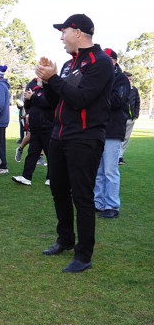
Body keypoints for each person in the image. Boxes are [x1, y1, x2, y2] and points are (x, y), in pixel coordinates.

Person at [36, 14, 114, 273]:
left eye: (64, 31)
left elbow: (81, 99)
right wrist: (48, 81)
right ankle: (65, 240)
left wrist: (54, 79)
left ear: (78, 32)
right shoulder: (70, 65)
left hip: (84, 138)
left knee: (82, 197)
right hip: (59, 136)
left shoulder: (100, 63)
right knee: (58, 191)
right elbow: (55, 102)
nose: (61, 37)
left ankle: (84, 255)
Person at [94, 49, 130, 219]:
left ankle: (112, 206)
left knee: (110, 170)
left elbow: (116, 101)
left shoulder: (121, 79)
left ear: (114, 61)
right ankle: (98, 203)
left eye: (107, 59)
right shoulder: (101, 76)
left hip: (113, 130)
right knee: (99, 170)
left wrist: (98, 93)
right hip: (99, 129)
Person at [11, 77, 53, 186]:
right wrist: (28, 99)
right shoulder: (36, 90)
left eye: (40, 77)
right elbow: (28, 106)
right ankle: (26, 177)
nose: (38, 78)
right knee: (32, 154)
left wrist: (33, 97)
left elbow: (47, 104)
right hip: (35, 129)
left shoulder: (51, 91)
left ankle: (51, 178)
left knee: (51, 154)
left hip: (47, 127)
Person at [118, 71, 140, 164]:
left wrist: (135, 115)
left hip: (130, 118)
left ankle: (120, 156)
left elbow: (137, 102)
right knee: (118, 138)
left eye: (130, 79)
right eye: (128, 79)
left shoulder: (134, 89)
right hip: (120, 118)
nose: (129, 81)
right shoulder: (119, 88)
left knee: (126, 138)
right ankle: (116, 155)